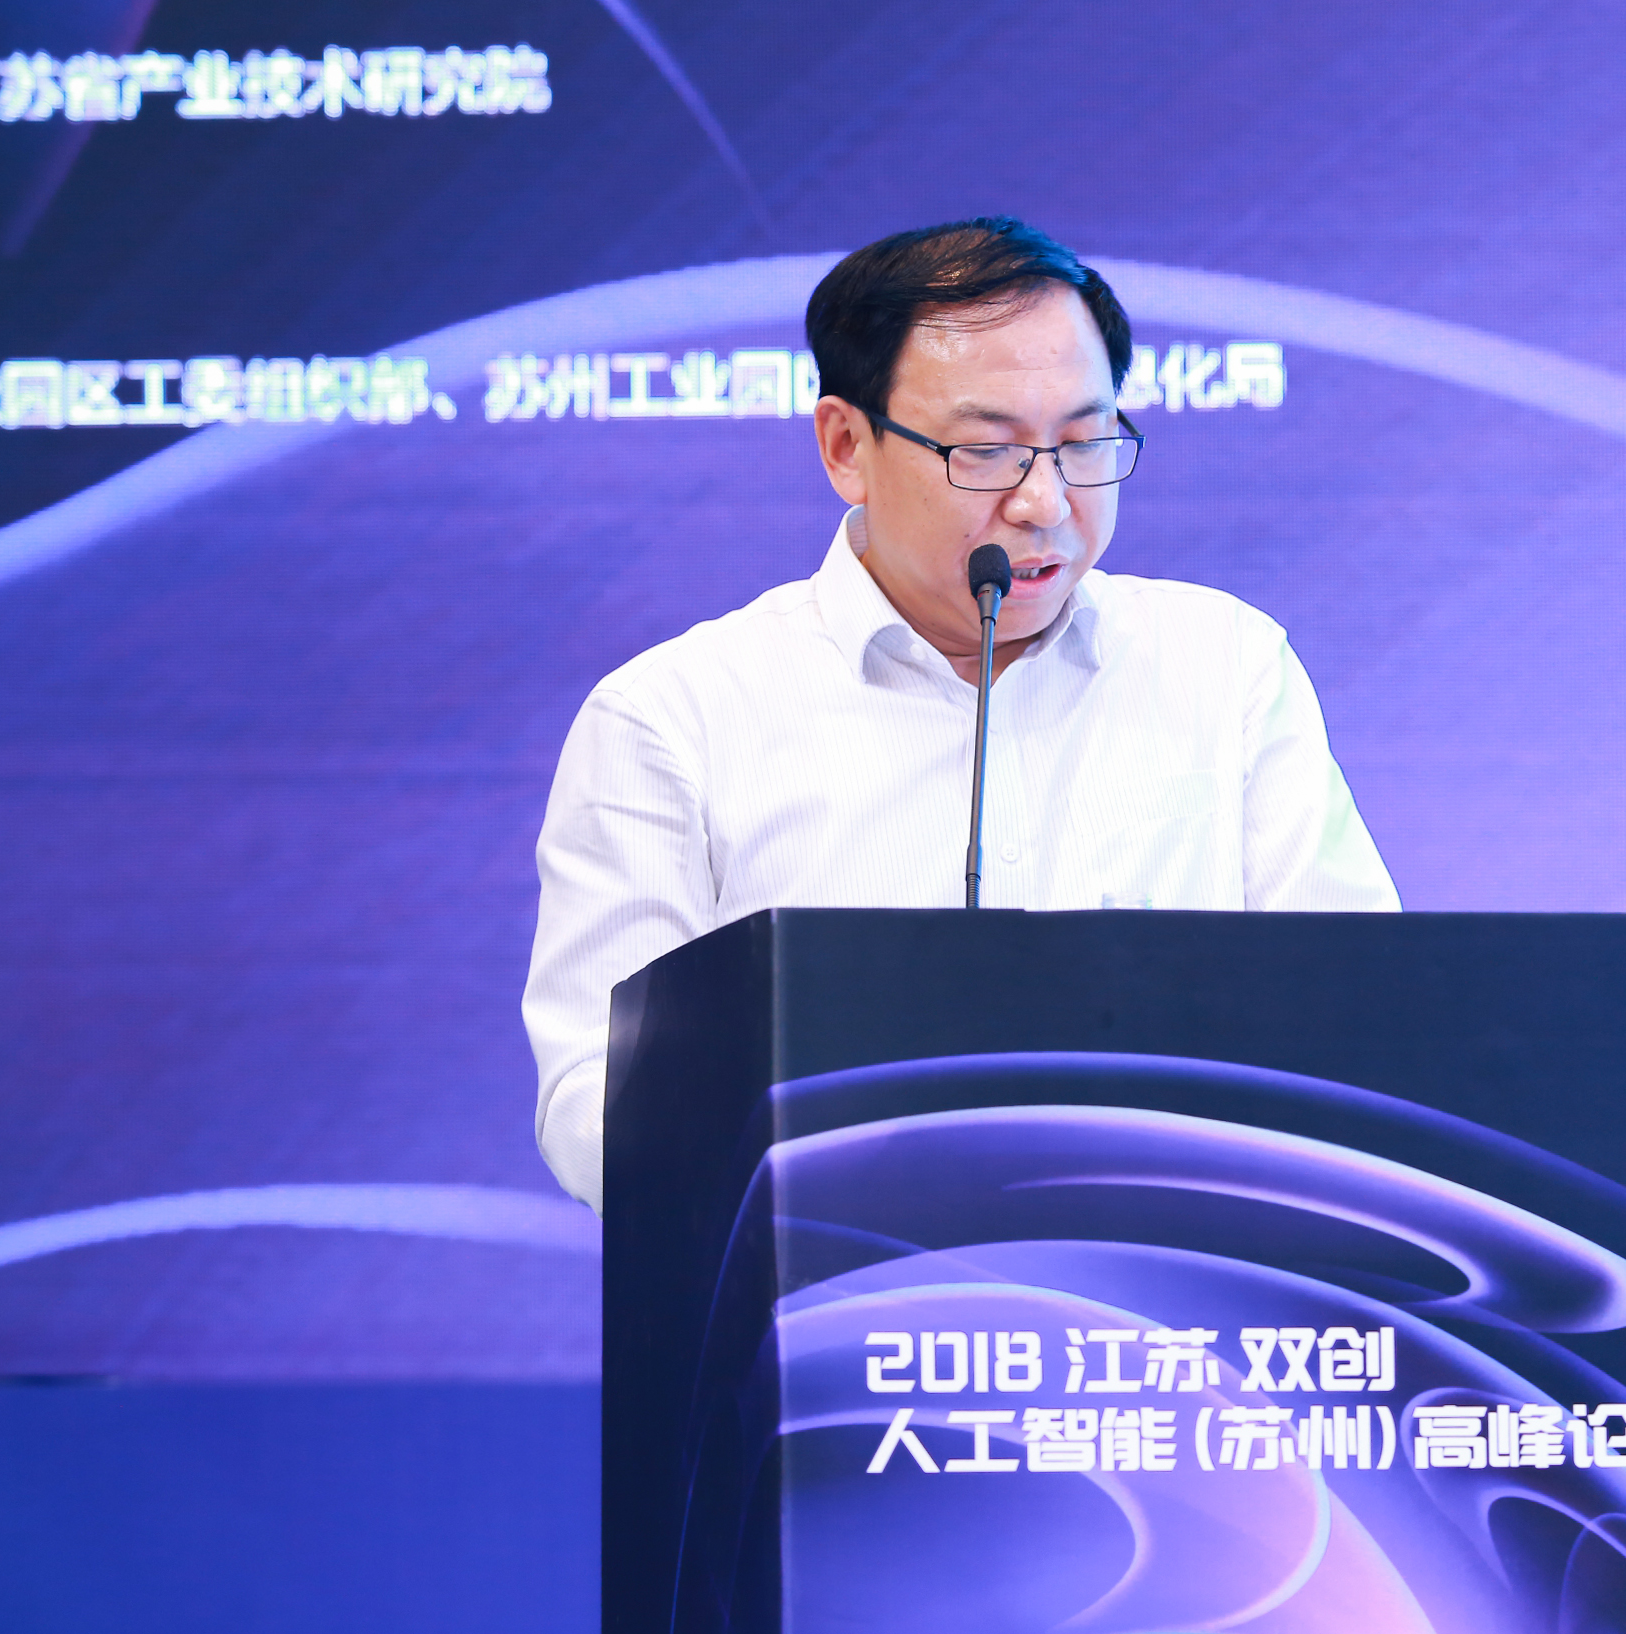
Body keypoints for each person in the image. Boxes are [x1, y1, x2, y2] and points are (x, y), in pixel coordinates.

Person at [523, 218, 1396, 1211]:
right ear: (846, 445)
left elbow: (1361, 1016)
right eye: (985, 451)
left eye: (1084, 442)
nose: (1045, 502)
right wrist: (844, 1177)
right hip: (833, 1283)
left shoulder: (1223, 666)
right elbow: (595, 1102)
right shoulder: (672, 720)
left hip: (1184, 1272)